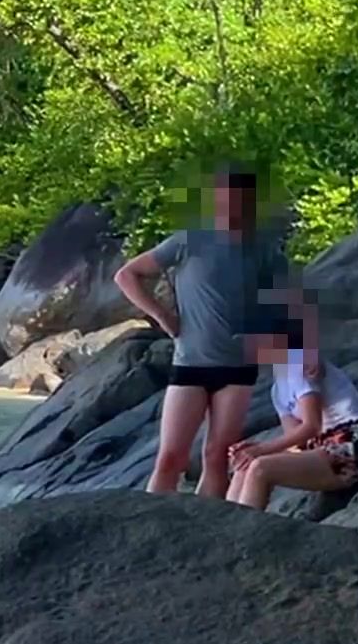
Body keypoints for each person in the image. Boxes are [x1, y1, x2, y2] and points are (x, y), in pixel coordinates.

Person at [114, 168, 308, 497]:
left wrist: (297, 355)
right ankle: (150, 521)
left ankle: (204, 523)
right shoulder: (190, 240)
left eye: (241, 199)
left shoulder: (264, 250)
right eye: (225, 197)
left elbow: (286, 304)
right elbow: (127, 275)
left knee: (217, 456)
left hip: (238, 368)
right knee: (170, 458)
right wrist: (163, 316)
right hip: (191, 362)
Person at [227, 321, 358, 509]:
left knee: (260, 468)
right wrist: (251, 451)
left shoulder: (301, 364)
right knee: (245, 466)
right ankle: (228, 525)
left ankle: (246, 526)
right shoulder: (277, 390)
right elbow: (296, 440)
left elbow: (312, 426)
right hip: (323, 448)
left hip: (357, 445)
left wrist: (263, 449)